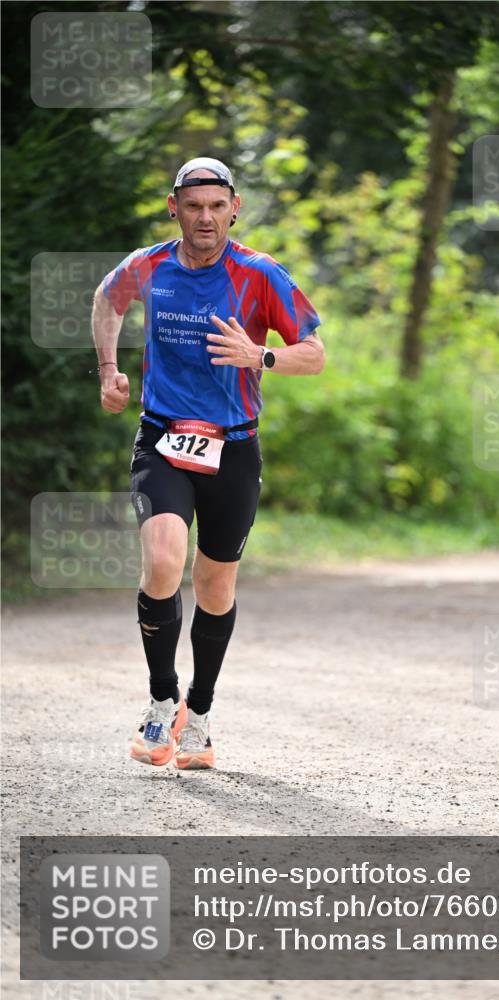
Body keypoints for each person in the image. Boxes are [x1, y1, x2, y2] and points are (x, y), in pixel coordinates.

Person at [92, 156, 325, 770]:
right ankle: (160, 701)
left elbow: (315, 353)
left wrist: (261, 357)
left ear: (234, 208)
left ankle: (199, 714)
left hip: (234, 446)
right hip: (163, 437)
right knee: (164, 561)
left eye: (216, 206)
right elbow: (106, 300)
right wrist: (109, 371)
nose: (205, 217)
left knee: (215, 583)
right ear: (174, 207)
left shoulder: (261, 273)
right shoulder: (150, 264)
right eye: (193, 205)